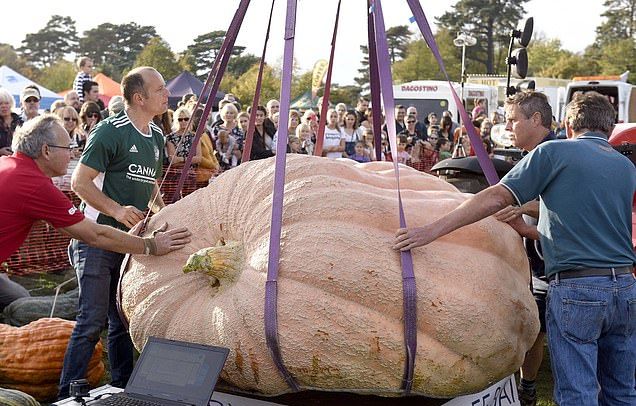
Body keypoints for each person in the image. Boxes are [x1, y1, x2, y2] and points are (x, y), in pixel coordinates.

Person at [394, 91, 636, 406]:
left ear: (567, 122)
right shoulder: (625, 166)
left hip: (578, 289)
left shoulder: (552, 152)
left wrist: (431, 230)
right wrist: (530, 229)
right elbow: (588, 225)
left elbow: (497, 197)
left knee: (578, 392)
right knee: (621, 391)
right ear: (610, 125)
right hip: (625, 289)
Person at [58, 67, 177, 398]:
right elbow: (79, 182)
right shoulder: (110, 131)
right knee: (92, 320)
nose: (167, 94)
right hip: (95, 239)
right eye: (161, 89)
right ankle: (66, 395)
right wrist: (116, 210)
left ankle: (122, 388)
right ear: (139, 98)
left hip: (129, 243)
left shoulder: (155, 136)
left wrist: (164, 209)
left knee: (122, 319)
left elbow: (148, 182)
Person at [0, 114, 191, 311]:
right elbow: (93, 235)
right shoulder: (35, 185)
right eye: (69, 148)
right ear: (46, 151)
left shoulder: (9, 164)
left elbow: (71, 230)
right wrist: (149, 245)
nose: (73, 154)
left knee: (18, 298)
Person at [492, 91, 555, 406]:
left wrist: (518, 210)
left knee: (539, 330)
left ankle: (528, 388)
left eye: (513, 119)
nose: (508, 127)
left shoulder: (553, 153)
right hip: (537, 259)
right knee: (534, 329)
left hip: (551, 264)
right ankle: (525, 386)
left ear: (536, 119)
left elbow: (555, 207)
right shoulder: (534, 153)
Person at [0, 88, 23, 156]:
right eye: (0, 103)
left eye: (6, 103)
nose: (4, 106)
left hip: (17, 162)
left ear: (11, 104)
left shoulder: (21, 123)